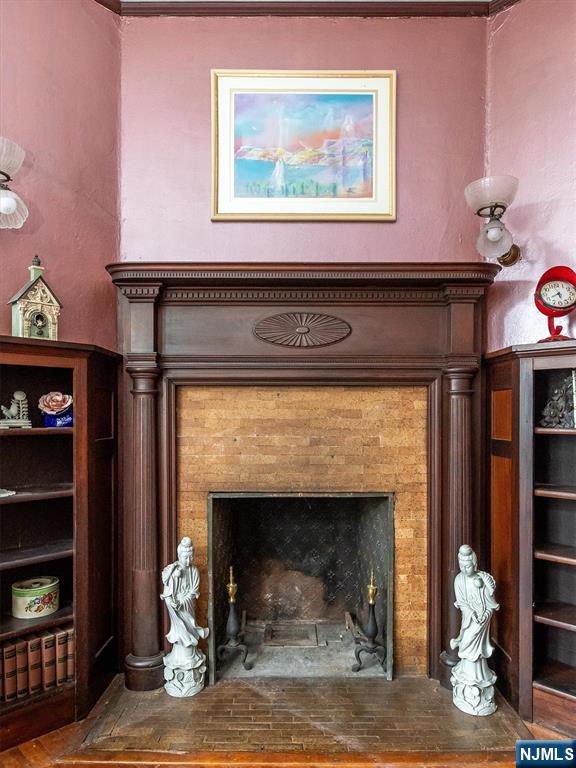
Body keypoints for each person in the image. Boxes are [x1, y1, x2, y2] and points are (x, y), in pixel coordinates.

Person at [449, 544, 499, 715]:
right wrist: (473, 614)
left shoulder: (481, 579)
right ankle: (467, 683)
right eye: (461, 565)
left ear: (475, 563)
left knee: (476, 647)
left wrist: (489, 589)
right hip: (470, 620)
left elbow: (490, 602)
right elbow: (462, 603)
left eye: (468, 565)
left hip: (482, 620)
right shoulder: (459, 580)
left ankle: (478, 687)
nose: (464, 568)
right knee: (466, 642)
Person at [161, 536, 209, 697]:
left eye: (190, 557)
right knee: (180, 630)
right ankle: (181, 675)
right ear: (179, 555)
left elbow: (194, 592)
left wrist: (183, 601)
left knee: (189, 625)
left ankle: (191, 672)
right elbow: (166, 585)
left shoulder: (194, 571)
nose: (188, 560)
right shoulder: (173, 569)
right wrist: (174, 577)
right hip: (177, 608)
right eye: (184, 557)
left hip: (187, 607)